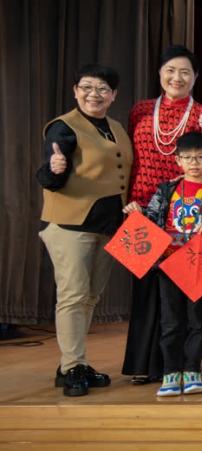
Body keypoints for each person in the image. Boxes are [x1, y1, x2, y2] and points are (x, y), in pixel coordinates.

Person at [122, 45, 202, 387]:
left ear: (195, 77)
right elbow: (130, 157)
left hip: (183, 215)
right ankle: (144, 364)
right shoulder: (140, 110)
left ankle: (177, 366)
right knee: (147, 289)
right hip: (142, 209)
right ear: (160, 73)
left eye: (185, 72)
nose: (177, 78)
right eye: (170, 71)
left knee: (181, 297)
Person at [38, 64, 134, 397]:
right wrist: (54, 169)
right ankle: (72, 366)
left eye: (103, 88)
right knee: (73, 295)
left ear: (114, 95)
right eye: (87, 87)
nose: (95, 94)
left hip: (108, 225)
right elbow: (48, 175)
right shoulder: (63, 127)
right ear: (76, 91)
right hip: (71, 224)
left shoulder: (116, 128)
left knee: (90, 297)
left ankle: (73, 362)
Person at [122, 132, 202, 397]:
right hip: (168, 265)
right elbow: (151, 218)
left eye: (201, 157)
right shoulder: (166, 190)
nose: (194, 162)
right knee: (170, 321)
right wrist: (137, 212)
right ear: (177, 160)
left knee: (196, 321)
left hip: (198, 264)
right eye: (187, 157)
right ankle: (171, 372)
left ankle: (192, 371)